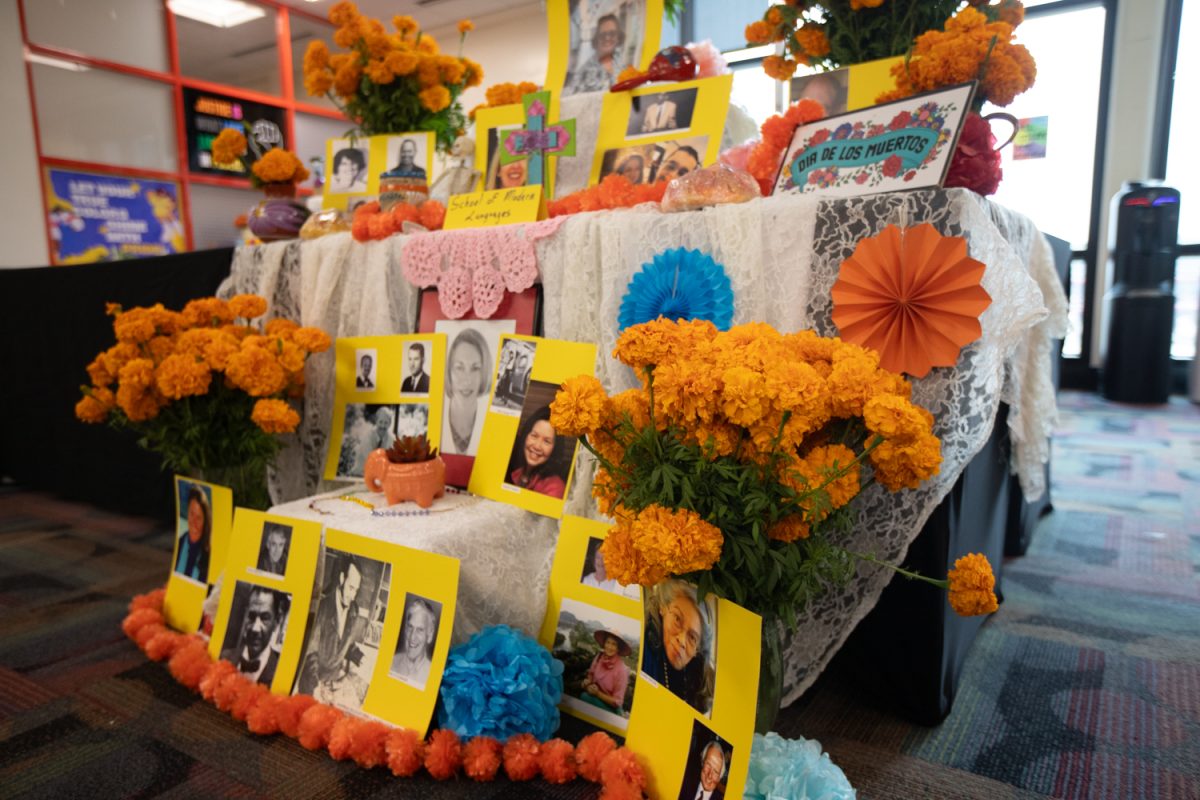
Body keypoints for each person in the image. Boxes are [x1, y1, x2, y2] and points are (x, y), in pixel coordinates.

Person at [641, 579, 714, 714]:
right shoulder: (644, 649)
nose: (681, 641)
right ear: (663, 607)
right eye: (677, 619)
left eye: (692, 637)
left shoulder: (699, 678)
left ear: (698, 649)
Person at [297, 559, 368, 695]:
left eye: (356, 590)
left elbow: (347, 644)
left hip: (335, 683)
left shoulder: (353, 610)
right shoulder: (321, 607)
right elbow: (310, 655)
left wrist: (361, 658)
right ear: (342, 579)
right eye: (351, 588)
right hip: (314, 682)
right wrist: (315, 686)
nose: (353, 596)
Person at [220, 586, 287, 687]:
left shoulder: (281, 673)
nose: (255, 628)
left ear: (276, 622)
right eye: (251, 616)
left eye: (265, 618)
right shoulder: (224, 657)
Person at [442, 329, 491, 456]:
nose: (466, 379)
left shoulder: (495, 422)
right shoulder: (431, 415)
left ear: (484, 373)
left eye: (475, 368)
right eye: (459, 367)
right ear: (449, 371)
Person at [505, 405, 570, 499]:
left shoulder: (555, 487)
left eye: (546, 441)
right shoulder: (515, 473)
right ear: (525, 436)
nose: (537, 446)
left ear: (554, 449)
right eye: (534, 436)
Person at [566, 13, 629, 95]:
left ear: (618, 37)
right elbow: (574, 100)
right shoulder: (584, 72)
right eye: (603, 34)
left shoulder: (624, 65)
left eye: (612, 33)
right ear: (597, 38)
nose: (607, 38)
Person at [580, 629, 632, 715]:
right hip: (595, 695)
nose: (609, 647)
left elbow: (617, 702)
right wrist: (588, 681)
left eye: (614, 644)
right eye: (608, 642)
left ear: (618, 648)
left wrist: (598, 694)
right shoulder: (599, 656)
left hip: (611, 706)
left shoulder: (622, 670)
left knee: (584, 697)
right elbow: (591, 674)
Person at [390, 597, 438, 688]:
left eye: (420, 630)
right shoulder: (392, 662)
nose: (412, 637)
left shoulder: (433, 674)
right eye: (410, 627)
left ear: (430, 635)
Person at [174, 484, 212, 582]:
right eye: (192, 514)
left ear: (205, 521)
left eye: (199, 518)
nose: (194, 521)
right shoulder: (180, 543)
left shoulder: (209, 554)